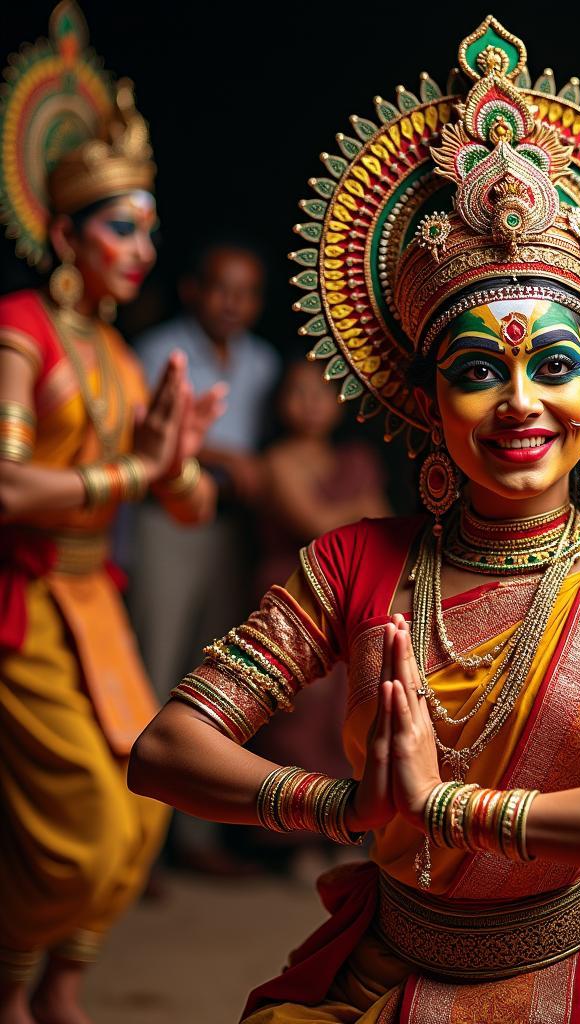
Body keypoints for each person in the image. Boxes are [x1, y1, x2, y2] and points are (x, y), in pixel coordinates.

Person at [128, 17, 580, 1022]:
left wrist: (446, 809)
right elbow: (164, 749)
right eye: (476, 371)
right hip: (387, 972)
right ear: (423, 404)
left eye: (553, 365)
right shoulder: (354, 563)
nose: (519, 402)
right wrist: (342, 804)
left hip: (569, 981)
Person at [0, 4, 223, 1023]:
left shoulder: (122, 358)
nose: (140, 247)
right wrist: (137, 477)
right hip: (26, 601)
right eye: (120, 226)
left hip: (93, 598)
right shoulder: (22, 334)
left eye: (148, 228)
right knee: (78, 827)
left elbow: (187, 501)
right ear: (62, 233)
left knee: (139, 811)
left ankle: (65, 989)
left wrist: (180, 464)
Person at [128, 237, 278, 872]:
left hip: (228, 532)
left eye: (246, 293)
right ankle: (134, 850)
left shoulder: (264, 362)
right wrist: (226, 457)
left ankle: (195, 842)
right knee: (149, 674)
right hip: (165, 524)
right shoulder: (157, 350)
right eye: (221, 289)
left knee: (208, 682)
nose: (232, 303)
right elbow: (139, 435)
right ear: (193, 290)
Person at [246, 359, 391, 873]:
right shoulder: (277, 461)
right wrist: (357, 516)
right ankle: (295, 840)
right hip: (291, 590)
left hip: (349, 593)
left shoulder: (355, 457)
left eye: (320, 393)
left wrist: (354, 519)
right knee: (296, 713)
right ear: (280, 402)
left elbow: (377, 520)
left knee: (345, 715)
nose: (309, 403)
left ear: (339, 404)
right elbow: (315, 524)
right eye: (297, 391)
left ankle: (345, 831)